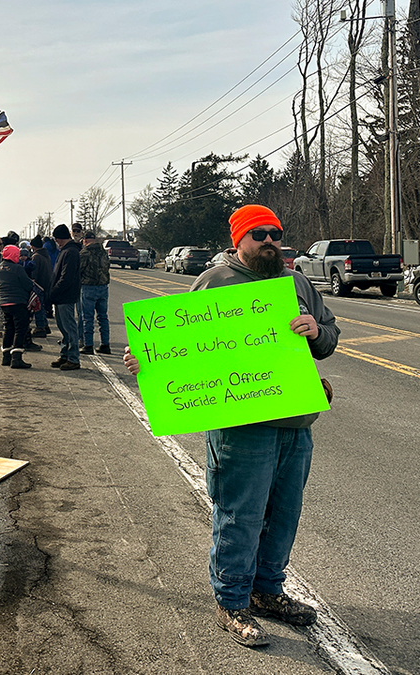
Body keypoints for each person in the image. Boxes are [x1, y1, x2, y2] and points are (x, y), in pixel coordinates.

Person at [122, 204, 339, 648]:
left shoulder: (295, 283)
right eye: (260, 234)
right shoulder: (215, 283)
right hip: (242, 429)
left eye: (276, 233)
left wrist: (317, 330)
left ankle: (267, 591)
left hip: (295, 423)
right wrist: (147, 363)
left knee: (283, 515)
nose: (270, 241)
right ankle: (232, 602)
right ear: (239, 239)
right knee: (240, 515)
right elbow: (180, 349)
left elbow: (330, 339)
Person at [47, 224, 82, 371]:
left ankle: (73, 358)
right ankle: (65, 355)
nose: (56, 241)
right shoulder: (65, 251)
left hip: (66, 295)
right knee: (63, 328)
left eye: (57, 239)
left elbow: (66, 278)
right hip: (61, 296)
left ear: (61, 238)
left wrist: (53, 292)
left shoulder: (71, 252)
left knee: (69, 328)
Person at [0, 245, 33, 369]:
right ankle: (16, 358)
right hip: (18, 302)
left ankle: (6, 357)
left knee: (8, 328)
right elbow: (27, 284)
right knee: (20, 329)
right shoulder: (17, 268)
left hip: (4, 302)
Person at [78, 230, 112, 355]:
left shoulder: (84, 253)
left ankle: (88, 344)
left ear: (85, 240)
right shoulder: (103, 253)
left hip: (88, 287)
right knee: (103, 317)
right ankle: (105, 344)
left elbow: (79, 270)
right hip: (103, 287)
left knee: (87, 317)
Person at [28, 235, 53, 337]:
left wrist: (31, 281)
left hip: (38, 285)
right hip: (47, 284)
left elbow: (34, 272)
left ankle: (40, 327)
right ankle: (45, 325)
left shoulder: (36, 257)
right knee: (41, 306)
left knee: (37, 307)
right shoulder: (46, 255)